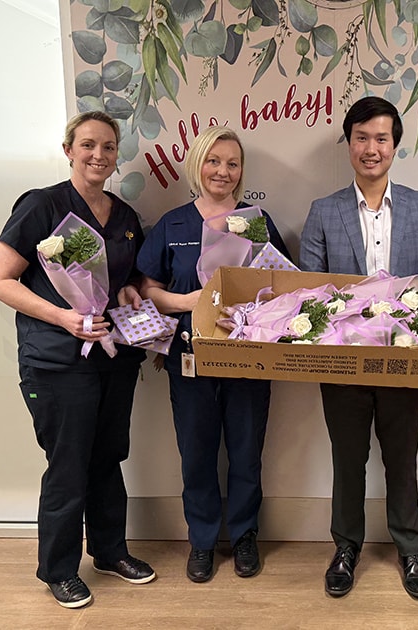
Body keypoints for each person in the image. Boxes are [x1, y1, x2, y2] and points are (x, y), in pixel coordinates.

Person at [299, 96, 418, 600]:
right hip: (342, 359)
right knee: (347, 459)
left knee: (402, 458)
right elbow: (310, 288)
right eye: (361, 138)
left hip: (405, 356)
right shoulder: (323, 210)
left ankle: (411, 548)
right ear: (348, 143)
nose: (371, 148)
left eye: (381, 138)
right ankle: (346, 547)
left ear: (395, 145)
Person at [0, 111, 156, 609]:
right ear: (69, 150)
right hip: (57, 361)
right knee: (68, 464)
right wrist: (63, 318)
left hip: (112, 357)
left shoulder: (123, 217)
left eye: (107, 146)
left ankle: (109, 552)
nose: (98, 155)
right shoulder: (42, 206)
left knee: (108, 457)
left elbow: (122, 281)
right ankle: (59, 568)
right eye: (87, 145)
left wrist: (126, 294)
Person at [137, 126, 290, 583]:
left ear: (241, 172)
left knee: (246, 451)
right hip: (190, 359)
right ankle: (202, 540)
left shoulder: (256, 221)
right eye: (214, 161)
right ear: (198, 164)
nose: (223, 171)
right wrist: (192, 302)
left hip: (249, 359)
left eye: (232, 163)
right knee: (196, 452)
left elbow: (282, 287)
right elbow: (148, 289)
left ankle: (244, 535)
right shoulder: (174, 224)